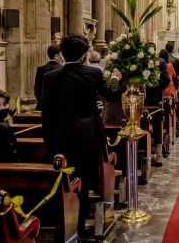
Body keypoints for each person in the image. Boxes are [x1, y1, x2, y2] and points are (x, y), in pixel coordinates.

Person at [42, 34, 122, 235]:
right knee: (83, 183)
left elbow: (47, 112)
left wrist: (49, 141)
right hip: (88, 137)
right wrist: (115, 79)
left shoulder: (49, 77)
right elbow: (111, 94)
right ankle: (77, 227)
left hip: (61, 138)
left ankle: (64, 226)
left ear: (63, 54)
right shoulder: (92, 74)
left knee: (63, 184)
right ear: (83, 55)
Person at [34, 44, 62, 111]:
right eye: (61, 55)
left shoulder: (41, 69)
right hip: (59, 106)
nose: (62, 57)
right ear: (56, 56)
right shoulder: (62, 69)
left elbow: (37, 89)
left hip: (43, 105)